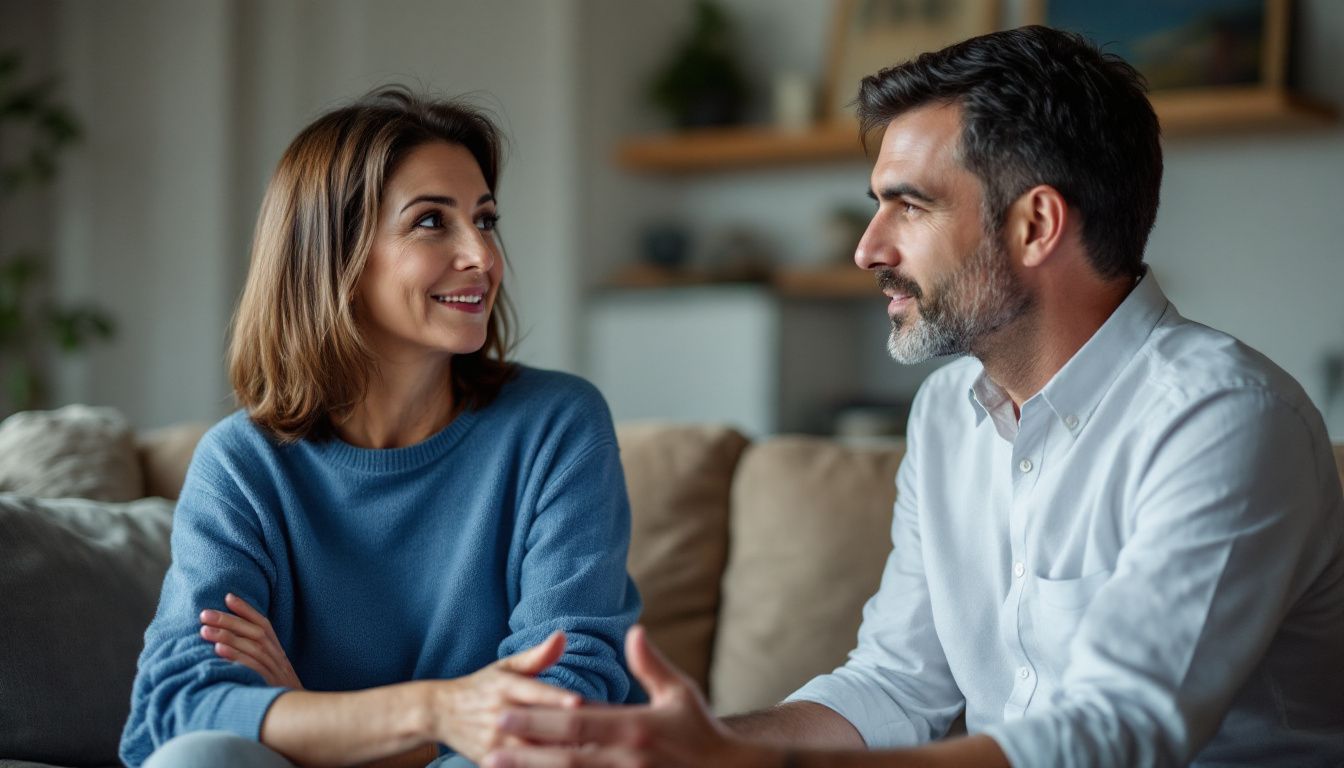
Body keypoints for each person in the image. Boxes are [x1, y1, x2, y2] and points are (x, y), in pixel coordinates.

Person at [480, 25, 1344, 768]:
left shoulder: (1223, 418)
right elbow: (896, 685)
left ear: (1036, 224)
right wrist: (690, 748)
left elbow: (1118, 732)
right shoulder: (945, 416)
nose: (866, 248)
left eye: (908, 205)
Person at [119, 86, 641, 768]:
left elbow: (564, 699)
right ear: (334, 256)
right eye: (432, 222)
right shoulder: (244, 464)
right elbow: (175, 708)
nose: (482, 257)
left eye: (485, 220)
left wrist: (318, 726)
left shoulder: (558, 426)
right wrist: (435, 710)